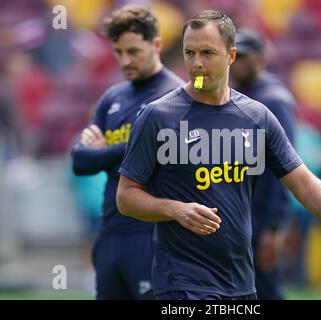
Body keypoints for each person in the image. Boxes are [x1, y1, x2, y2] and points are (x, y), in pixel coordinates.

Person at [116, 10, 321, 300]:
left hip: (241, 283)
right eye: (190, 52)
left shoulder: (256, 116)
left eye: (207, 52)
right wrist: (175, 210)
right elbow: (126, 196)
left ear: (230, 55)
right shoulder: (157, 116)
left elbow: (302, 182)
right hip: (181, 282)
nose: (197, 63)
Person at [71, 4, 183, 300]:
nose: (125, 60)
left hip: (153, 234)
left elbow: (161, 154)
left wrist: (107, 150)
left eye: (133, 51)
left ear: (156, 44)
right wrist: (133, 146)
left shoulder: (176, 96)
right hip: (110, 232)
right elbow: (80, 161)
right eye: (118, 52)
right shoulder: (113, 97)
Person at [230, 28, 297, 300]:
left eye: (245, 56)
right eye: (236, 56)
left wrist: (274, 226)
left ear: (260, 57)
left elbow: (284, 166)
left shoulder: (272, 99)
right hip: (242, 214)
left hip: (259, 218)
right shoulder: (242, 94)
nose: (239, 63)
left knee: (264, 290)